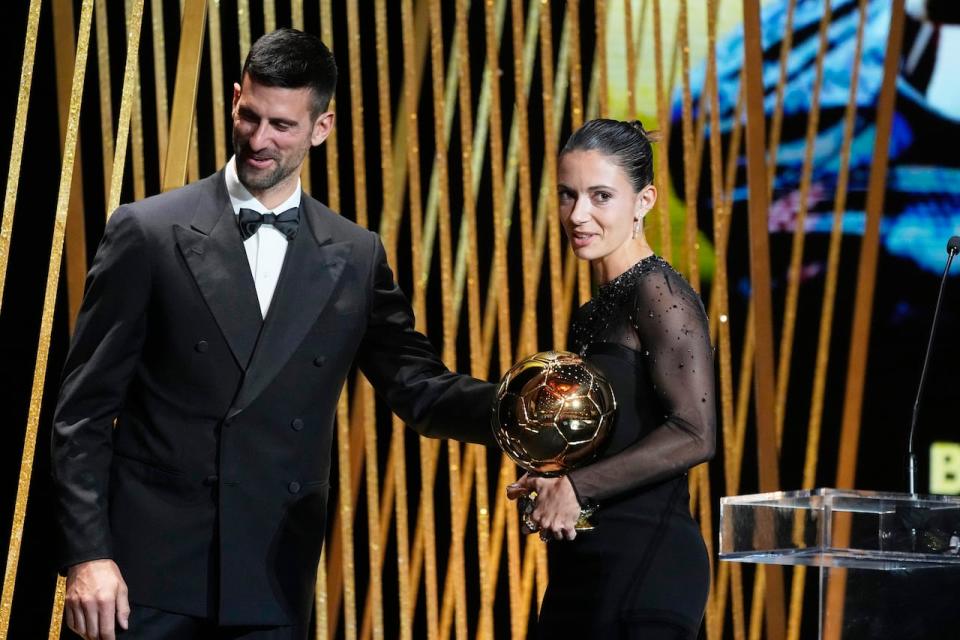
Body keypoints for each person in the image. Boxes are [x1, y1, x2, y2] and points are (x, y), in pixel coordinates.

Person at [51, 28, 494, 640]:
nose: (259, 141)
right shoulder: (147, 232)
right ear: (236, 99)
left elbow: (417, 388)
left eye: (282, 126)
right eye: (250, 116)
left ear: (322, 127)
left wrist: (518, 412)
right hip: (143, 577)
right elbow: (83, 412)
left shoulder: (357, 254)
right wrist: (88, 556)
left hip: (272, 576)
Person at [507, 119, 716, 639]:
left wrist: (576, 486)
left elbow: (696, 432)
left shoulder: (660, 293)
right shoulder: (593, 310)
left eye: (601, 196)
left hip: (648, 565)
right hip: (585, 564)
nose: (578, 215)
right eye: (567, 194)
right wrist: (554, 480)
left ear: (643, 201)